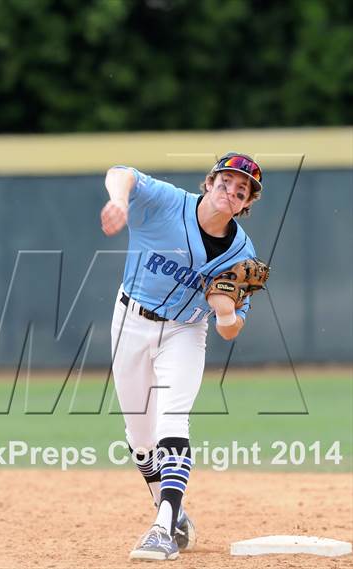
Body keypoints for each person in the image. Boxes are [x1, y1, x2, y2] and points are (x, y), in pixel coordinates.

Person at [100, 152, 263, 561]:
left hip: (186, 331)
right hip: (130, 320)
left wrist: (226, 311)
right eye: (226, 182)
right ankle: (169, 510)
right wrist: (119, 201)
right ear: (208, 184)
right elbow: (121, 173)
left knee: (172, 420)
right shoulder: (169, 201)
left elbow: (232, 329)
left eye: (241, 190)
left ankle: (162, 528)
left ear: (246, 205)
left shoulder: (245, 255)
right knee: (139, 440)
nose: (232, 191)